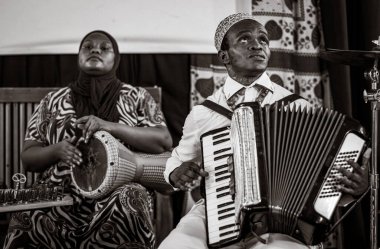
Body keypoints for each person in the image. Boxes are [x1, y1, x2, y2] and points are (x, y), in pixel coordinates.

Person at [159, 13, 370, 249]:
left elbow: (324, 182)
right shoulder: (203, 113)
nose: (257, 44)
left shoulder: (299, 108)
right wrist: (176, 172)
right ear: (224, 55)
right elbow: (177, 160)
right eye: (244, 39)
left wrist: (354, 189)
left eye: (263, 39)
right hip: (218, 212)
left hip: (283, 223)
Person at [3, 30, 172, 249]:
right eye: (88, 46)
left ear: (116, 58)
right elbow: (29, 158)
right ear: (78, 56)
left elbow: (163, 141)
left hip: (117, 198)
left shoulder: (137, 97)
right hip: (59, 202)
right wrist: (57, 150)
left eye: (104, 48)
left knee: (131, 197)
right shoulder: (53, 101)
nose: (95, 50)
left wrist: (108, 126)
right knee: (27, 213)